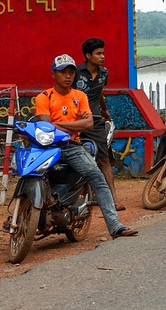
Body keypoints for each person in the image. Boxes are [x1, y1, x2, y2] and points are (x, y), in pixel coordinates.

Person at [33, 54, 137, 239]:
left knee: (97, 176)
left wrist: (58, 124)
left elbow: (88, 124)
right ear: (53, 74)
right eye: (63, 72)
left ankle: (115, 225)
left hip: (72, 146)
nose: (67, 76)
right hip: (47, 147)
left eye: (71, 72)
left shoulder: (79, 96)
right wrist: (74, 123)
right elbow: (45, 127)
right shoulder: (44, 97)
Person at [73, 38, 116, 209]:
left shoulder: (104, 73)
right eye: (99, 53)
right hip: (75, 121)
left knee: (103, 159)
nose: (103, 56)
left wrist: (104, 110)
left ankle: (113, 198)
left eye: (103, 53)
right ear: (88, 55)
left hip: (96, 120)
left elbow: (99, 93)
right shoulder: (75, 72)